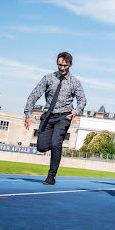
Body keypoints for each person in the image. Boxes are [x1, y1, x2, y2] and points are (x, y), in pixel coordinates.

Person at [24, 52, 86, 185]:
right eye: (60, 65)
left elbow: (82, 100)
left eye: (65, 65)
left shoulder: (75, 82)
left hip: (64, 116)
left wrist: (76, 111)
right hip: (48, 116)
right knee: (41, 147)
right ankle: (51, 148)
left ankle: (51, 176)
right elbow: (34, 95)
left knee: (55, 144)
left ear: (70, 64)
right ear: (57, 63)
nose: (62, 68)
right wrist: (28, 115)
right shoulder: (48, 78)